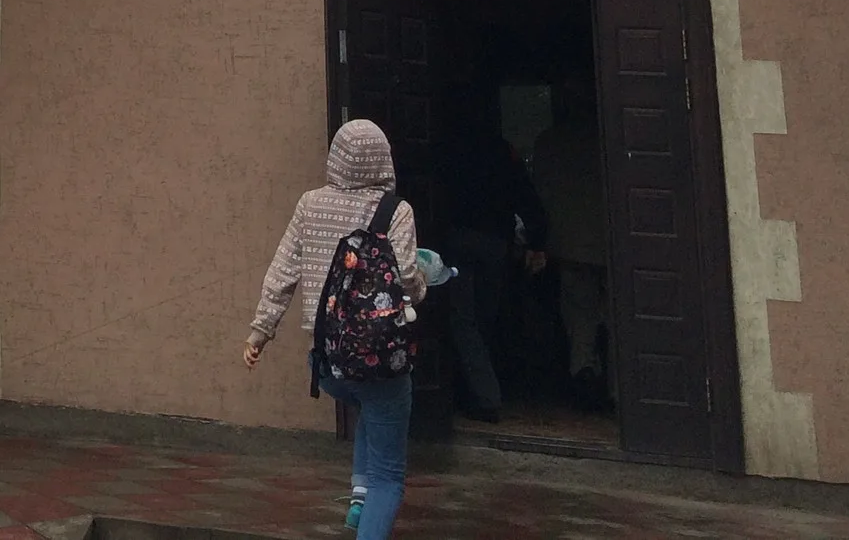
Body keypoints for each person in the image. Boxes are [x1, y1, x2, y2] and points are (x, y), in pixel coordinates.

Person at [243, 120, 427, 540]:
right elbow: (406, 278)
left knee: (365, 403)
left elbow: (282, 272)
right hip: (378, 362)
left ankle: (358, 500)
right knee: (389, 476)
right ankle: (369, 498)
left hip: (328, 365)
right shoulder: (396, 210)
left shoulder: (309, 205)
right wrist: (422, 287)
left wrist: (260, 333)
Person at [433, 112, 549, 420]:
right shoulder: (502, 151)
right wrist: (537, 240)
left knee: (464, 320)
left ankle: (483, 395)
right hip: (494, 242)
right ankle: (484, 391)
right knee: (484, 316)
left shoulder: (447, 149)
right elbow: (525, 195)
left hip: (459, 238)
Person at [531, 80, 611, 410]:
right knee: (617, 317)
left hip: (571, 243)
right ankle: (617, 388)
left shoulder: (550, 141)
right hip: (612, 242)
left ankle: (584, 373)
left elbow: (541, 191)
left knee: (581, 316)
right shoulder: (609, 135)